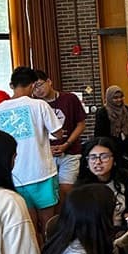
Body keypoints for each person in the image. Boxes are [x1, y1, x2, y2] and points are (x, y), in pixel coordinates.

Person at [0, 65, 63, 238]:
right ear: (33, 85)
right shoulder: (39, 105)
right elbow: (58, 133)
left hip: (14, 177)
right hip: (42, 173)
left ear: (11, 85)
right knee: (48, 226)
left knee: (29, 228)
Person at [33, 69, 87, 200]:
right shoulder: (34, 105)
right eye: (34, 88)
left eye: (39, 85)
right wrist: (46, 149)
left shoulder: (69, 98)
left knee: (66, 189)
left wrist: (66, 144)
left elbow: (81, 124)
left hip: (70, 152)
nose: (38, 90)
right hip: (45, 154)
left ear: (49, 81)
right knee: (51, 192)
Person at [77, 136, 128, 230]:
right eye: (93, 157)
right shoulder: (82, 189)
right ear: (87, 162)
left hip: (121, 230)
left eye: (104, 157)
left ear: (114, 159)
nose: (98, 162)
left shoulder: (122, 178)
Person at [94, 85, 128, 158]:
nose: (119, 99)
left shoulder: (126, 110)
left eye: (121, 97)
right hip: (110, 148)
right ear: (109, 98)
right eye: (115, 98)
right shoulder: (103, 112)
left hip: (127, 147)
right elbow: (99, 133)